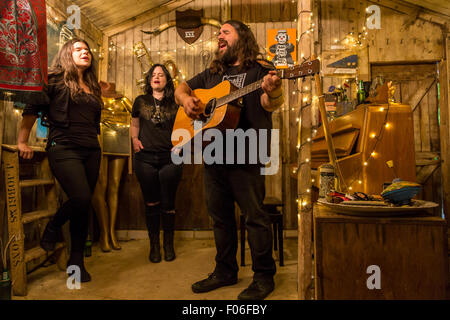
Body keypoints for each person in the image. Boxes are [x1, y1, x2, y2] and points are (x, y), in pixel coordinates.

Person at [174, 20, 284, 300]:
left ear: (241, 38)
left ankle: (263, 276)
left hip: (247, 153)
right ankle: (225, 271)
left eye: (225, 32)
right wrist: (186, 101)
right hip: (213, 153)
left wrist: (273, 91)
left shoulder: (261, 69)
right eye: (218, 33)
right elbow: (181, 88)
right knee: (220, 218)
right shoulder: (213, 72)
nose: (218, 35)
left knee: (255, 218)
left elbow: (270, 104)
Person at [18, 39, 103, 283]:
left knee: (82, 207)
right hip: (63, 147)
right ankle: (53, 226)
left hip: (91, 150)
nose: (85, 52)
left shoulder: (92, 85)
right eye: (78, 49)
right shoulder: (54, 79)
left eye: (87, 50)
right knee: (81, 197)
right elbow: (31, 110)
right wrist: (22, 141)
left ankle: (76, 262)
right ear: (67, 54)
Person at [131, 64, 183, 263]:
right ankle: (154, 246)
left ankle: (168, 244)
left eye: (161, 74)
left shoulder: (176, 102)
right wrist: (134, 140)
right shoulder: (140, 100)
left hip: (171, 158)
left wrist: (181, 144)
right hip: (145, 159)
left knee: (168, 203)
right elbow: (135, 123)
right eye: (153, 74)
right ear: (149, 79)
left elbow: (187, 126)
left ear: (167, 80)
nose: (157, 77)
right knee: (151, 202)